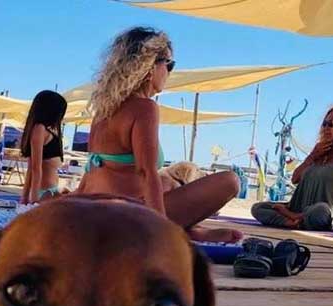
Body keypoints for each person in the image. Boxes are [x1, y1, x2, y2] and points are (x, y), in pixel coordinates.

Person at [77, 27, 241, 243]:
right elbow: (147, 174)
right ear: (149, 66)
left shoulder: (104, 111)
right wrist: (159, 233)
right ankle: (177, 231)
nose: (169, 72)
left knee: (170, 185)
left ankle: (190, 230)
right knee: (230, 181)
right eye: (169, 64)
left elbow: (91, 171)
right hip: (127, 216)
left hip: (95, 210)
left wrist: (73, 205)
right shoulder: (145, 108)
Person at [251, 105, 333, 231]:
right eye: (324, 124)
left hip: (332, 213)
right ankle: (292, 222)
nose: (326, 128)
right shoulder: (319, 152)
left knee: (321, 211)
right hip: (301, 208)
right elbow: (295, 179)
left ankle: (295, 217)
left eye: (331, 124)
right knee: (258, 208)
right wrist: (312, 156)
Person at [19, 90, 67, 204]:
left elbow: (32, 167)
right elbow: (35, 168)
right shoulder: (39, 128)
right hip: (43, 193)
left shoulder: (50, 130)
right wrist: (33, 201)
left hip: (51, 190)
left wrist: (25, 197)